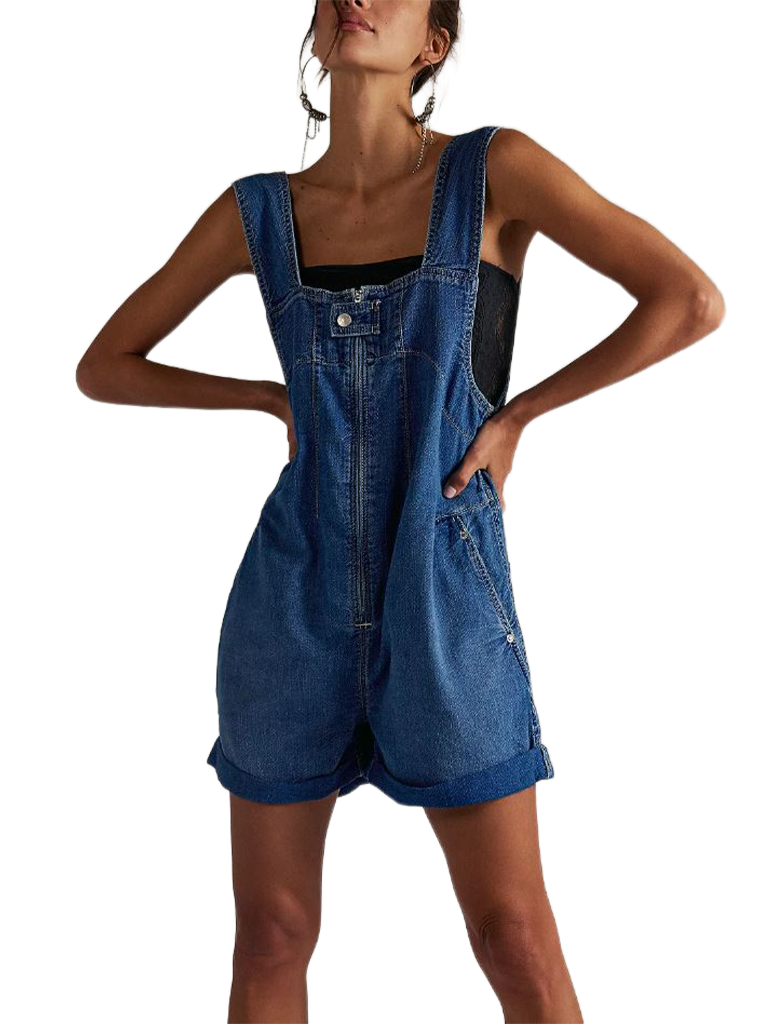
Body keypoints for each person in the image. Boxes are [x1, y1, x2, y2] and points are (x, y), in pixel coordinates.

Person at [76, 1, 725, 1021]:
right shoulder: (258, 212)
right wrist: (264, 396)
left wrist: (518, 418)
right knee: (272, 933)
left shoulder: (494, 171)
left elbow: (688, 300)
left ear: (434, 43)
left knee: (513, 936)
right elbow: (104, 366)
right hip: (292, 596)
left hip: (445, 589)